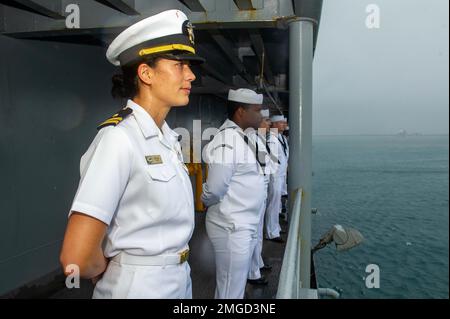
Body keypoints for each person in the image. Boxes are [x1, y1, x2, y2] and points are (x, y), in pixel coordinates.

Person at [59, 9, 204, 299]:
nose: (191, 74)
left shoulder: (167, 138)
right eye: (179, 64)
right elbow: (76, 257)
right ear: (146, 73)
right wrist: (106, 269)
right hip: (138, 287)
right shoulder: (118, 139)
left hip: (178, 280)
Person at [201, 88, 265, 299]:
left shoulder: (241, 137)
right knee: (230, 289)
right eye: (257, 110)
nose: (261, 116)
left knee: (234, 287)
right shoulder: (227, 141)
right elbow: (215, 189)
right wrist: (206, 201)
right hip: (231, 227)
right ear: (240, 112)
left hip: (241, 223)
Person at [246, 109, 276, 285]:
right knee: (253, 233)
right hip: (254, 192)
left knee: (257, 233)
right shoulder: (250, 139)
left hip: (261, 189)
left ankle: (257, 264)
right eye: (265, 120)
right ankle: (252, 272)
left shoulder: (259, 139)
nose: (268, 124)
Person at [264, 115, 288, 243]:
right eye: (281, 123)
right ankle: (271, 232)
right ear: (274, 124)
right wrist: (274, 179)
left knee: (275, 205)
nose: (284, 125)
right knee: (272, 205)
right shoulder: (272, 140)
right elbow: (272, 162)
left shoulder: (279, 138)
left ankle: (276, 228)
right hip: (275, 177)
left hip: (280, 177)